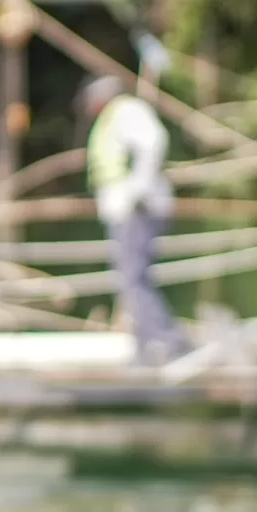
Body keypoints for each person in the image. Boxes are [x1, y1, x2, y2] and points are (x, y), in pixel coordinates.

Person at [81, 70, 189, 364]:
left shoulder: (126, 111)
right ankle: (145, 343)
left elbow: (153, 143)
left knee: (134, 277)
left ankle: (165, 339)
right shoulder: (115, 117)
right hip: (127, 210)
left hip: (137, 210)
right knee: (131, 277)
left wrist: (134, 192)